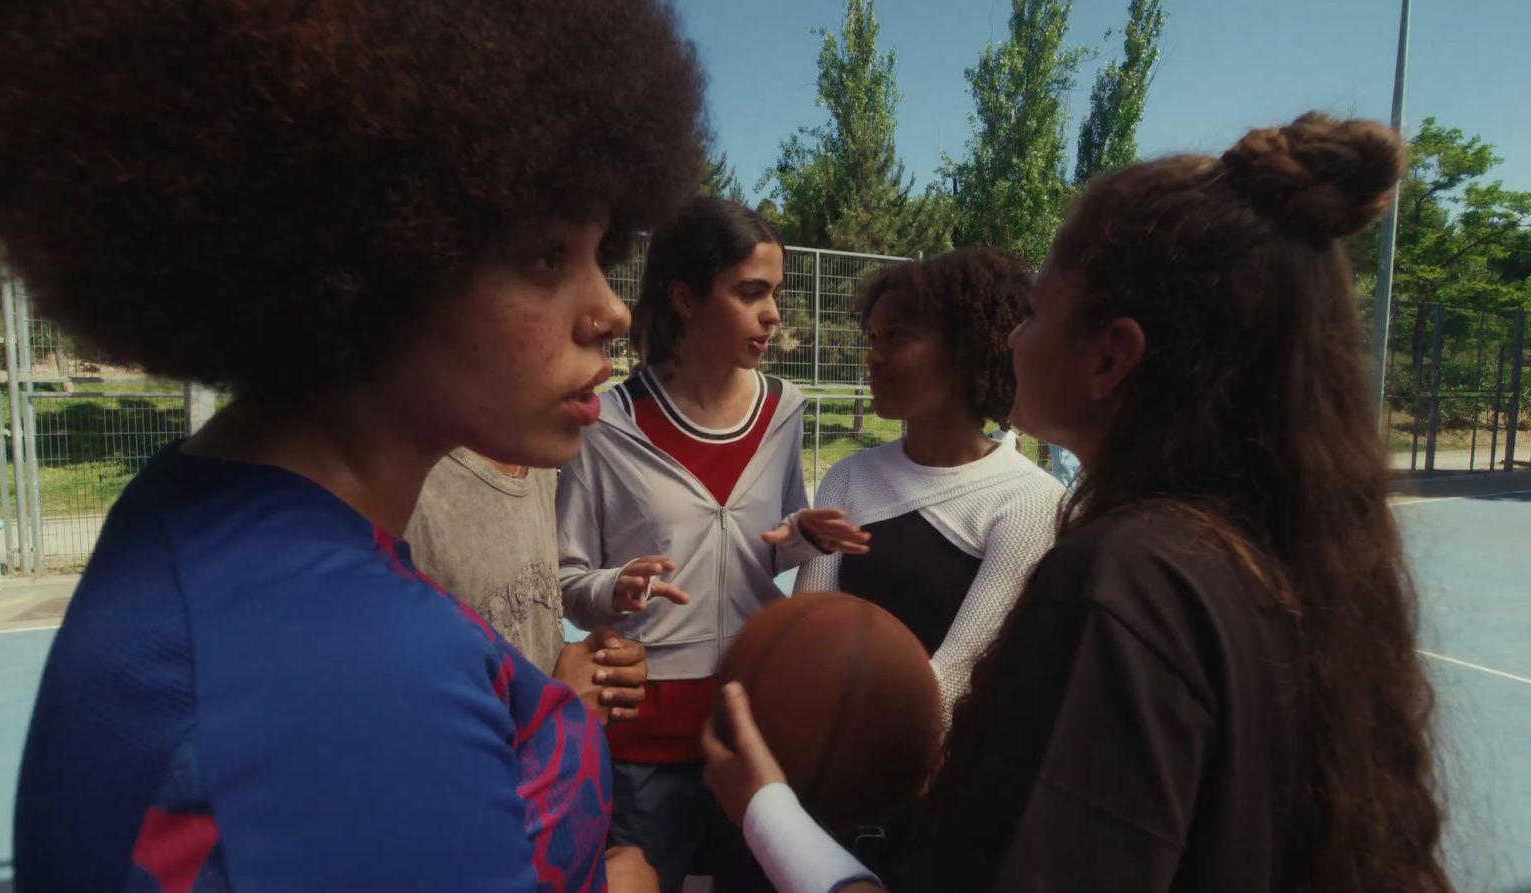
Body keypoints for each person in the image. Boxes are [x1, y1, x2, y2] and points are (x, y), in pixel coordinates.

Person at [0, 0, 706, 890]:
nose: (610, 310)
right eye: (545, 257)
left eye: (601, 252)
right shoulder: (352, 680)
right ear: (381, 254)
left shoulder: (200, 516)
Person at [703, 114, 1452, 893]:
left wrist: (767, 810)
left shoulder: (1124, 581)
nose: (1013, 339)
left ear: (1108, 355)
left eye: (1031, 313)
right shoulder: (1255, 559)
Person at [558, 196, 869, 892]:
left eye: (776, 294)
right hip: (643, 732)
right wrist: (615, 586)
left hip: (752, 719)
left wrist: (804, 536)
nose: (773, 315)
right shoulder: (606, 421)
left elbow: (771, 543)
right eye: (750, 293)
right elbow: (565, 578)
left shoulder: (784, 407)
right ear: (685, 297)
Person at [795, 247, 1064, 730]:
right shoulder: (848, 478)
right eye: (873, 337)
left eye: (897, 337)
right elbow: (808, 630)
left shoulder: (1028, 501)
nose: (875, 356)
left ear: (968, 349)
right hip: (833, 752)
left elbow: (954, 679)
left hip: (936, 773)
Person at [407, 449, 649, 723]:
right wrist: (556, 706)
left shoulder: (540, 460)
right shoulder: (407, 482)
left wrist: (591, 667)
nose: (596, 407)